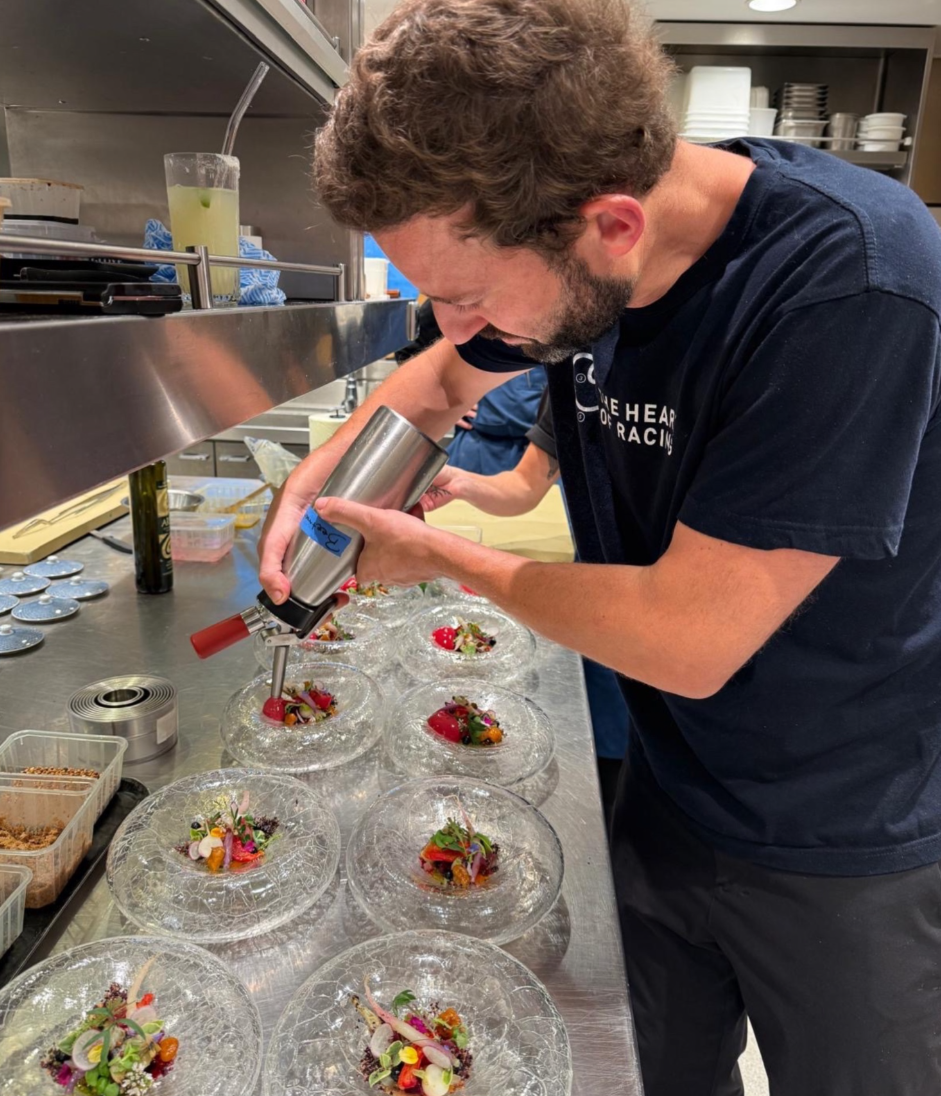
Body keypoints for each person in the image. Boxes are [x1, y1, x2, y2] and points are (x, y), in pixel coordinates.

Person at [259, 3, 941, 1094]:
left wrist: (444, 560)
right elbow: (439, 379)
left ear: (611, 225)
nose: (451, 324)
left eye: (465, 294)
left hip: (834, 824)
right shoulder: (576, 259)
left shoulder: (847, 278)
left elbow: (690, 636)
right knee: (655, 1069)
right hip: (665, 782)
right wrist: (325, 478)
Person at [424, 388, 631, 817]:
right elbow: (525, 483)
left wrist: (440, 556)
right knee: (600, 746)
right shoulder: (573, 359)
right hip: (596, 591)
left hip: (668, 608)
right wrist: (460, 482)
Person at [398, 300, 547, 474]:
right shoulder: (464, 295)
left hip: (546, 449)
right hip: (476, 446)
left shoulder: (557, 302)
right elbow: (409, 351)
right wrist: (443, 399)